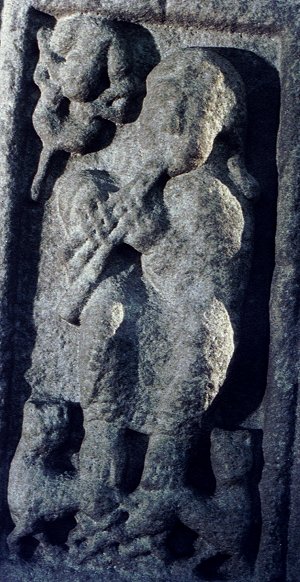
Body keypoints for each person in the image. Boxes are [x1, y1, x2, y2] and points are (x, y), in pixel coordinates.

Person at [56, 48, 259, 558]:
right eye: (166, 102)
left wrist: (153, 239)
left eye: (193, 110)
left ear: (218, 129)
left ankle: (160, 481)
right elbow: (80, 256)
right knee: (105, 308)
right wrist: (92, 221)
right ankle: (100, 458)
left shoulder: (207, 195)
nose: (174, 118)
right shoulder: (124, 175)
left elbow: (211, 281)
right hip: (141, 317)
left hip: (187, 325)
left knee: (205, 332)